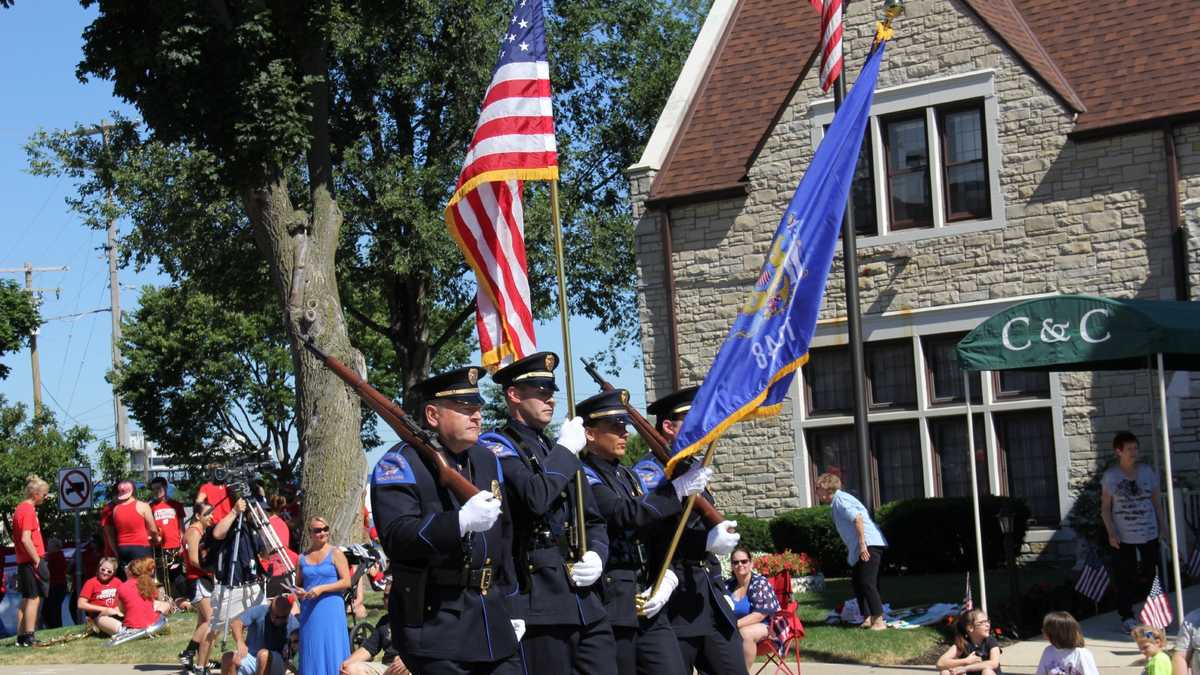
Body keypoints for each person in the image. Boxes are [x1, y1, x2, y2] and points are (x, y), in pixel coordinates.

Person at [372, 366, 523, 674]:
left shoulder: (485, 459)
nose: (477, 416)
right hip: (437, 625)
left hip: (493, 620)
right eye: (466, 409)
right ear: (432, 415)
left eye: (478, 408)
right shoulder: (400, 463)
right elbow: (398, 536)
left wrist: (511, 600)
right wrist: (459, 522)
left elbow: (505, 536)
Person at [478, 353, 616, 674]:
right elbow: (534, 497)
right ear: (514, 395)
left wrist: (597, 554)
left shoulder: (556, 448)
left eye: (552, 391)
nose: (550, 399)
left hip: (585, 602)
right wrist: (567, 451)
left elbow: (593, 518)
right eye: (541, 390)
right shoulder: (497, 446)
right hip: (539, 600)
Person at [577, 389, 708, 675]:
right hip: (615, 602)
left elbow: (656, 531)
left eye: (625, 425)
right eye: (614, 426)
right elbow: (624, 514)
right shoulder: (584, 477)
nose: (624, 433)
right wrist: (674, 491)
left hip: (648, 596)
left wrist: (667, 576)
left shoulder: (627, 476)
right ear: (590, 434)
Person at [636, 386, 744, 674]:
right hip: (675, 600)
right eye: (692, 420)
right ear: (668, 427)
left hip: (708, 596)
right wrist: (704, 542)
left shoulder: (692, 468)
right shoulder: (650, 472)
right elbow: (649, 531)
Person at [1100, 431, 1166, 632]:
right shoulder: (1111, 476)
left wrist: (1164, 528)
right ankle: (1127, 616)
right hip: (1124, 536)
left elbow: (1157, 502)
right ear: (1118, 451)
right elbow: (1105, 508)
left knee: (1152, 574)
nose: (1133, 452)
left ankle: (1154, 616)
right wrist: (1111, 532)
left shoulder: (1147, 472)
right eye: (1129, 449)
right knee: (1124, 576)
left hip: (1149, 532)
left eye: (1135, 448)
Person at [814, 471, 888, 630]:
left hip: (869, 544)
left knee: (867, 582)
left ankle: (879, 620)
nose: (816, 492)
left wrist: (862, 544)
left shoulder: (841, 500)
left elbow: (858, 519)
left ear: (827, 489)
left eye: (818, 488)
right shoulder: (837, 502)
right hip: (862, 546)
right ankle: (867, 617)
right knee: (858, 582)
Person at [296, 516, 351, 674]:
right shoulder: (302, 558)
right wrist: (299, 593)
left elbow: (346, 581)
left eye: (325, 529)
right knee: (312, 649)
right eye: (318, 530)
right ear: (310, 533)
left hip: (331, 609)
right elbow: (298, 584)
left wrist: (322, 588)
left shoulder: (336, 553)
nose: (322, 533)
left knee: (332, 646)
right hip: (310, 611)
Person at [725, 546, 780, 671]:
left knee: (745, 634)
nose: (740, 565)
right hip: (735, 628)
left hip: (767, 626)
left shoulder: (759, 583)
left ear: (751, 563)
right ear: (732, 566)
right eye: (736, 562)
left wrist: (734, 624)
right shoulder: (727, 586)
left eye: (744, 561)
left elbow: (760, 614)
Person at [180, 504, 218, 673]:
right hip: (197, 580)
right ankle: (193, 657)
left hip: (201, 579)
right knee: (211, 620)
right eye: (207, 514)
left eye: (212, 513)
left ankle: (194, 655)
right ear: (197, 515)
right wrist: (211, 572)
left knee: (203, 621)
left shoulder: (201, 531)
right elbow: (194, 560)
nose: (211, 517)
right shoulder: (194, 532)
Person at [13, 474, 49, 647]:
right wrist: (37, 561)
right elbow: (26, 539)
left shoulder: (20, 508)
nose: (45, 497)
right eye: (44, 494)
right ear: (35, 494)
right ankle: (29, 636)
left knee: (26, 598)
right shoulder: (27, 510)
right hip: (30, 559)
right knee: (34, 598)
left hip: (23, 560)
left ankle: (21, 637)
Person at [221, 595, 299, 675]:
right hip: (252, 657)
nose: (279, 620)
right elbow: (236, 623)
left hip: (276, 663)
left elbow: (297, 656)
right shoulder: (261, 610)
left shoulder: (294, 624)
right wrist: (240, 642)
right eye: (276, 616)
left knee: (263, 655)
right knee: (227, 658)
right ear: (270, 610)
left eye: (283, 617)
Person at [107, 480, 161, 573]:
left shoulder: (116, 509)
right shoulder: (143, 506)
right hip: (141, 547)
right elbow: (153, 529)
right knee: (144, 580)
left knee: (128, 578)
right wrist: (156, 539)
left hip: (122, 548)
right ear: (133, 491)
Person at [339, 611, 409, 675]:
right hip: (387, 667)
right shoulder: (385, 621)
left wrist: (408, 660)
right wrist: (347, 664)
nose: (387, 600)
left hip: (411, 666)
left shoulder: (418, 618)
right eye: (386, 597)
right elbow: (368, 648)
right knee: (351, 670)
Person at [936, 608, 1001, 675]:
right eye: (982, 622)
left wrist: (965, 668)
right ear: (970, 628)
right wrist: (966, 661)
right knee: (945, 672)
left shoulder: (990, 641)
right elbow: (940, 663)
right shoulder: (963, 643)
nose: (987, 625)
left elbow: (994, 663)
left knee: (987, 671)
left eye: (987, 621)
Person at [150, 477, 187, 591]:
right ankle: (166, 600)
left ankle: (180, 599)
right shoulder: (150, 507)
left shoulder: (176, 505)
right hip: (159, 547)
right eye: (153, 489)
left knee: (177, 575)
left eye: (159, 488)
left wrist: (183, 543)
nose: (156, 491)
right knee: (161, 577)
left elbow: (181, 527)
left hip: (175, 546)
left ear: (165, 487)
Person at [116, 556, 172, 631]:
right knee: (166, 604)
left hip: (132, 627)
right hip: (153, 624)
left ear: (129, 571)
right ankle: (156, 620)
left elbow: (122, 610)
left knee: (100, 619)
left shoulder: (122, 586)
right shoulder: (148, 584)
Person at [78, 557, 123, 636]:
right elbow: (81, 604)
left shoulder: (117, 582)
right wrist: (106, 609)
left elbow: (124, 599)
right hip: (99, 617)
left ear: (114, 572)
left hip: (116, 613)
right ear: (99, 567)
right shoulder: (91, 582)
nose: (105, 573)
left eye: (109, 571)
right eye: (103, 569)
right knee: (120, 630)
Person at [42, 537, 69, 628]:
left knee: (52, 610)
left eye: (49, 545)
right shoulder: (56, 556)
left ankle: (55, 627)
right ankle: (54, 627)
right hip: (56, 586)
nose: (47, 547)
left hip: (57, 586)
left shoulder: (55, 557)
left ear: (55, 547)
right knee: (52, 610)